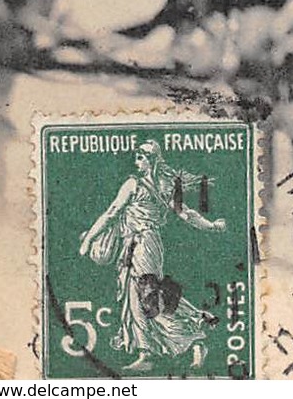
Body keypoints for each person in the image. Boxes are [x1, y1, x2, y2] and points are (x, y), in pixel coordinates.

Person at [77, 141, 227, 371]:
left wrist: (88, 239)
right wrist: (212, 226)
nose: (136, 161)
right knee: (146, 295)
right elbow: (186, 214)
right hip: (146, 244)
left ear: (151, 160)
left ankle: (164, 348)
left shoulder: (133, 184)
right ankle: (185, 335)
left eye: (140, 157)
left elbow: (112, 213)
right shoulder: (163, 187)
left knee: (144, 296)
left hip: (140, 244)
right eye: (136, 156)